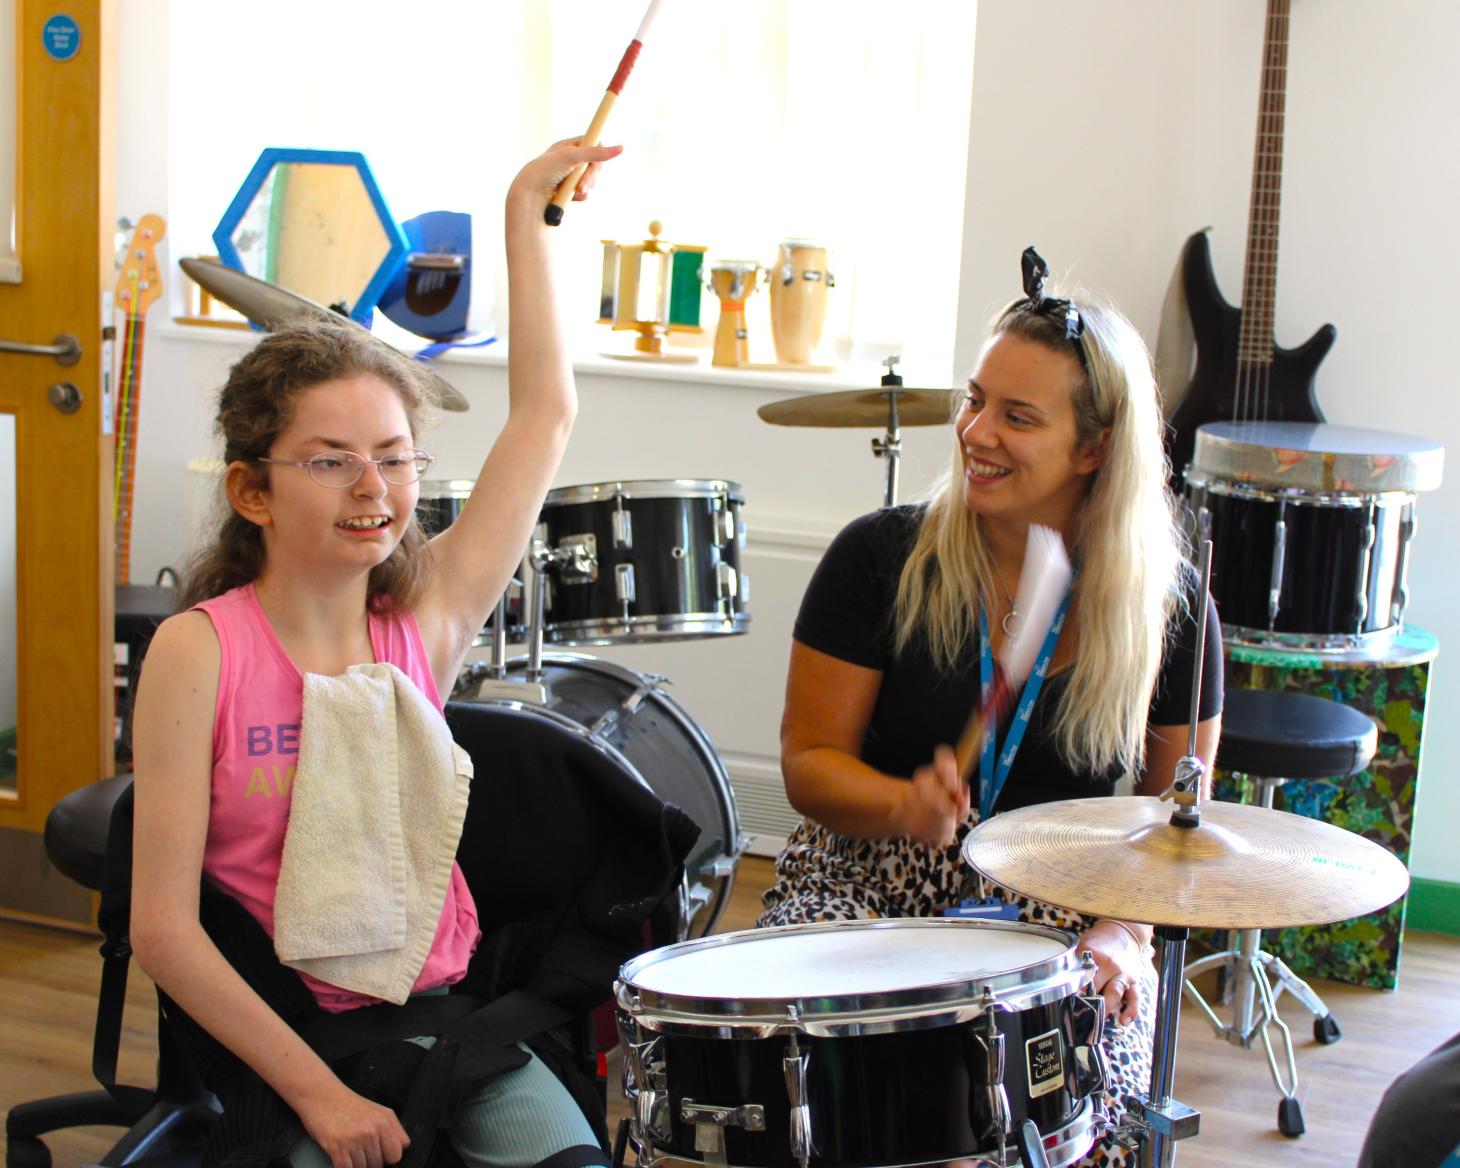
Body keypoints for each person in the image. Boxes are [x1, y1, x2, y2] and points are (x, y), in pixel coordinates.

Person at [129, 139, 622, 1168]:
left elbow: (546, 412)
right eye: (331, 461)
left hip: (444, 1018)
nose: (374, 489)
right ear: (252, 490)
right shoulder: (199, 650)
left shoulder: (423, 618)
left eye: (394, 459)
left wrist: (521, 218)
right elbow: (165, 932)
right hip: (289, 1041)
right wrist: (319, 1101)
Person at [757, 249, 1223, 1168]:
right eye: (974, 401)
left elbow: (1182, 828)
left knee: (1083, 1124)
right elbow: (810, 765)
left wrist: (1127, 932)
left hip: (1066, 907)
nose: (975, 431)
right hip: (869, 878)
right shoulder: (877, 558)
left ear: (1095, 448)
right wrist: (898, 804)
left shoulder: (1170, 611)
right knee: (819, 1096)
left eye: (1017, 417)